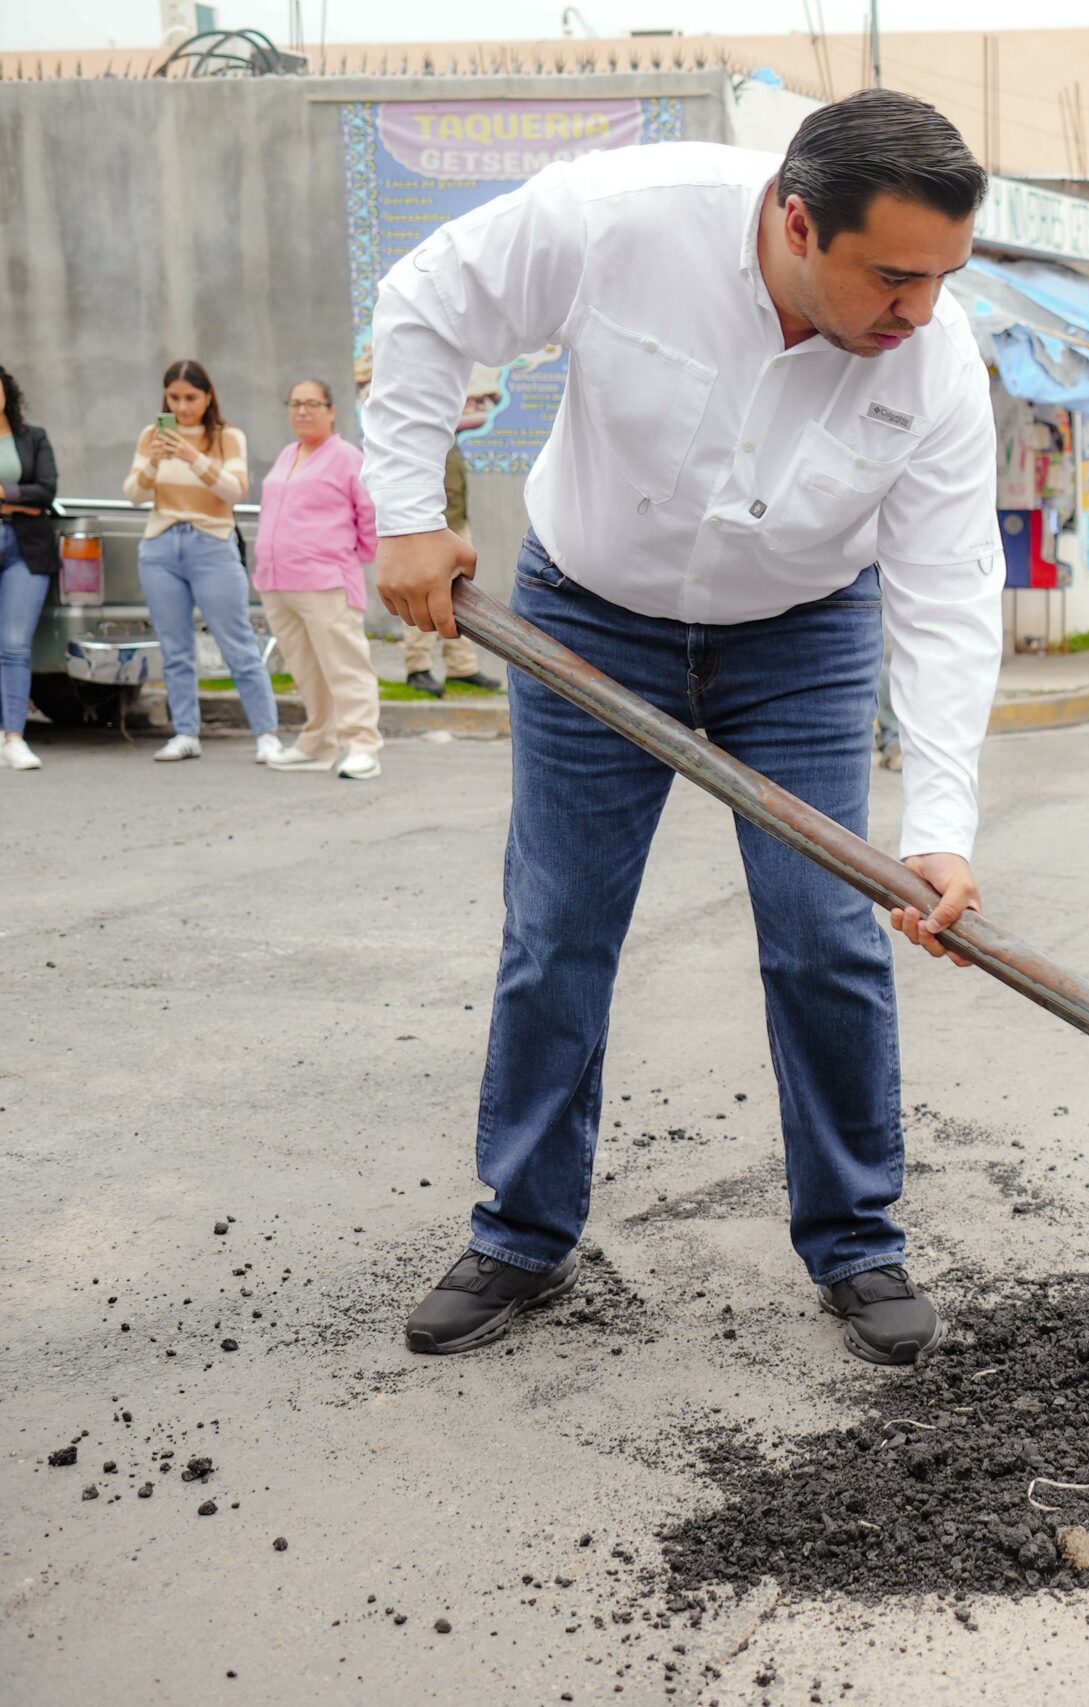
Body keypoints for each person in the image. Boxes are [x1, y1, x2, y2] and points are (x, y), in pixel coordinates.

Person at [366, 91, 1001, 1364]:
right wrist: (403, 507)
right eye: (890, 276)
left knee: (827, 937)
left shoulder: (933, 361)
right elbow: (427, 302)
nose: (918, 311)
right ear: (796, 219)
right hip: (588, 613)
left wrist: (939, 826)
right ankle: (521, 1232)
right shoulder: (616, 221)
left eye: (942, 277)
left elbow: (945, 590)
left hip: (803, 636)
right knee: (557, 934)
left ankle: (857, 1241)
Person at [126, 359, 284, 764]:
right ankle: (185, 732)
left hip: (212, 544)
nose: (182, 407)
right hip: (161, 545)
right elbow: (135, 494)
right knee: (176, 647)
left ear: (208, 396)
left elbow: (235, 490)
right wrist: (156, 462)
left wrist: (192, 455)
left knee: (238, 644)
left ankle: (267, 734)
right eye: (174, 397)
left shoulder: (227, 437)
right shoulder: (152, 436)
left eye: (190, 397)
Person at [253, 380, 384, 780]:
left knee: (345, 664)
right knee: (306, 668)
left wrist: (342, 557)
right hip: (277, 581)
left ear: (331, 410)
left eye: (311, 404)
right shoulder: (287, 455)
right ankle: (318, 743)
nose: (302, 411)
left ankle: (363, 745)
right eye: (295, 404)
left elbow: (371, 519)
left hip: (325, 579)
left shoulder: (347, 458)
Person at [399, 445, 502, 697]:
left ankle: (461, 667)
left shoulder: (450, 433)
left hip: (456, 526)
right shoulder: (420, 430)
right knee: (424, 599)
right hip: (429, 531)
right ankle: (417, 668)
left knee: (462, 601)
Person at [1, 363, 60, 772]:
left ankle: (14, 736)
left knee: (14, 645)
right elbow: (34, 497)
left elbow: (48, 490)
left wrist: (6, 495)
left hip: (26, 549)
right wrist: (23, 501)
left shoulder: (33, 438)